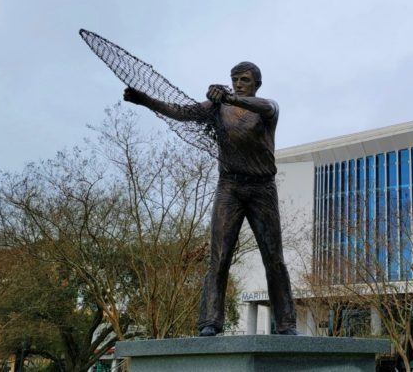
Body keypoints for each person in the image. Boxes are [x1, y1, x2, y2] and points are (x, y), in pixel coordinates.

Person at [123, 61, 297, 336]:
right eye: (234, 79)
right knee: (219, 255)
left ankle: (286, 322)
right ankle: (210, 321)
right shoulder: (218, 107)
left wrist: (230, 97)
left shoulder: (265, 108)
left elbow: (268, 108)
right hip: (230, 186)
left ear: (256, 85)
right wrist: (145, 100)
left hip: (262, 189)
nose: (238, 83)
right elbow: (181, 113)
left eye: (244, 80)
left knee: (274, 258)